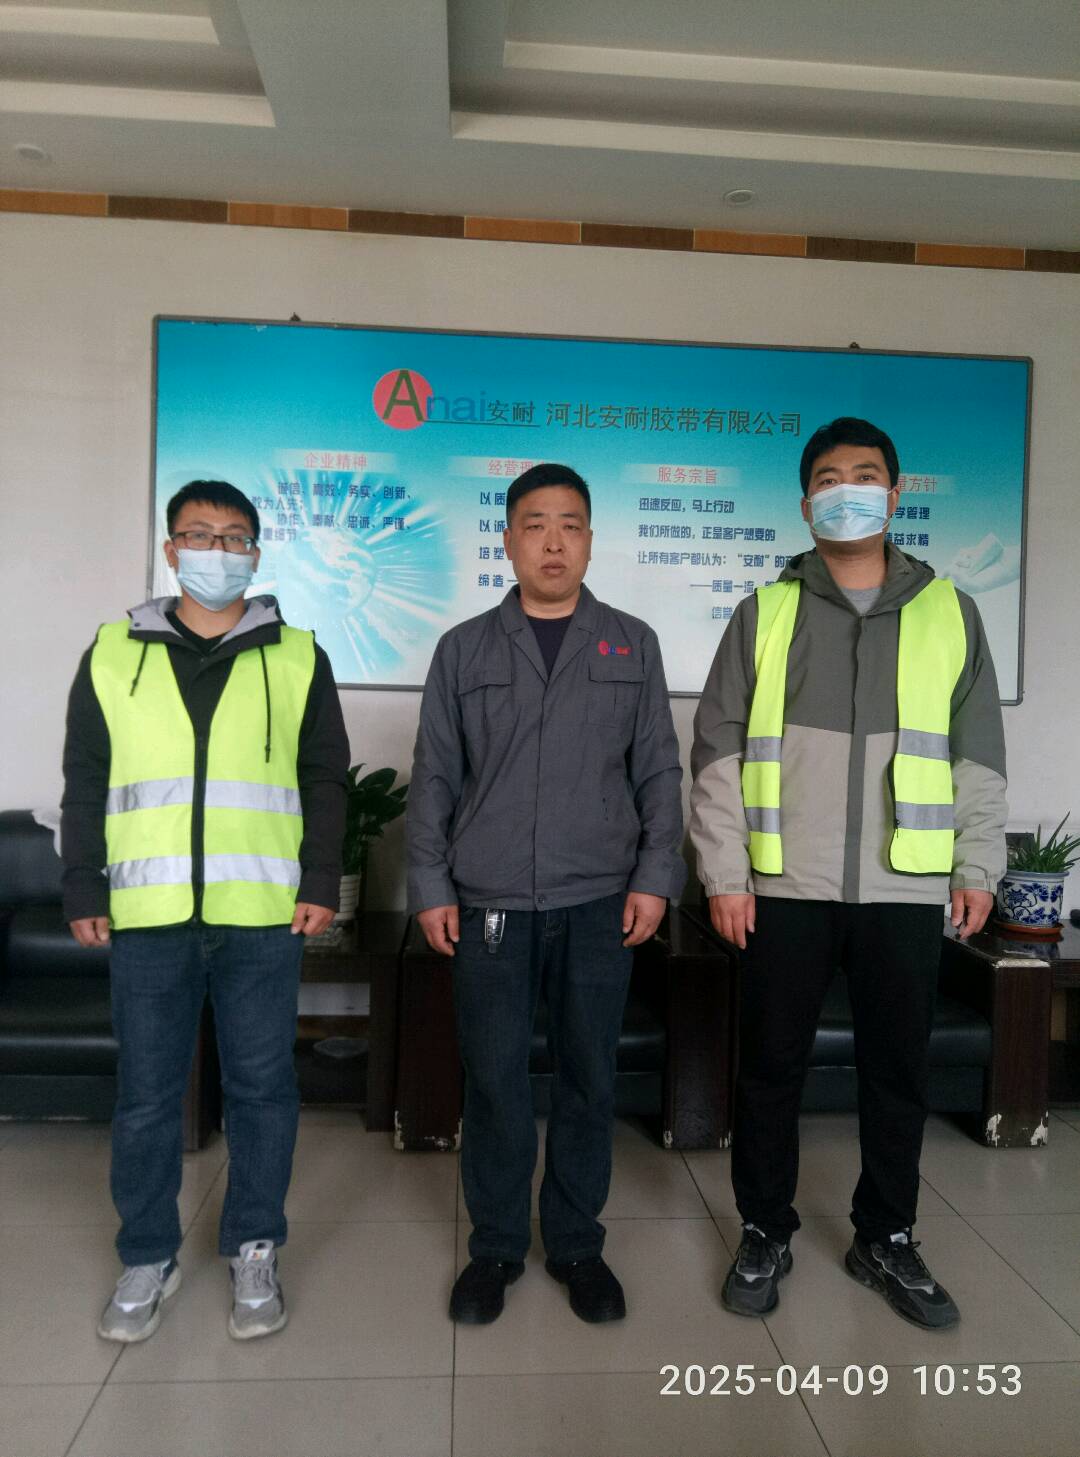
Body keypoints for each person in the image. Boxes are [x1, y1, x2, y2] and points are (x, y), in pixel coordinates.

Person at [689, 418, 1006, 1331]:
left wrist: (978, 862)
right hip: (785, 885)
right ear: (805, 503)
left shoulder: (950, 611)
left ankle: (887, 1234)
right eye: (829, 478)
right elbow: (716, 749)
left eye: (865, 476)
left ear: (896, 494)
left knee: (897, 1070)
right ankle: (764, 1227)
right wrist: (725, 872)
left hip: (905, 884)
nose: (847, 491)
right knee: (770, 1067)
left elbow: (979, 752)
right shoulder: (765, 611)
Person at [61, 480, 349, 1343]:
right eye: (198, 534)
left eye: (232, 538)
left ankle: (254, 1246)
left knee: (263, 1089)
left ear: (255, 554)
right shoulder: (112, 653)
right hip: (147, 913)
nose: (214, 551)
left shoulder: (297, 656)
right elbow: (85, 778)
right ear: (170, 548)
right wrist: (83, 882)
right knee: (147, 1096)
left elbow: (324, 778)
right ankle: (149, 1253)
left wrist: (320, 879)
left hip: (261, 912)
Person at [407, 462, 685, 1325]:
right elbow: (434, 776)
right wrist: (429, 885)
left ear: (591, 540)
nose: (553, 542)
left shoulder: (631, 643)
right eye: (535, 524)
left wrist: (656, 877)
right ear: (508, 541)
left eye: (570, 524)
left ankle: (575, 1244)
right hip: (489, 899)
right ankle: (494, 1245)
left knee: (588, 1077)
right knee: (494, 1078)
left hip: (600, 898)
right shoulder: (464, 649)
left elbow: (659, 771)